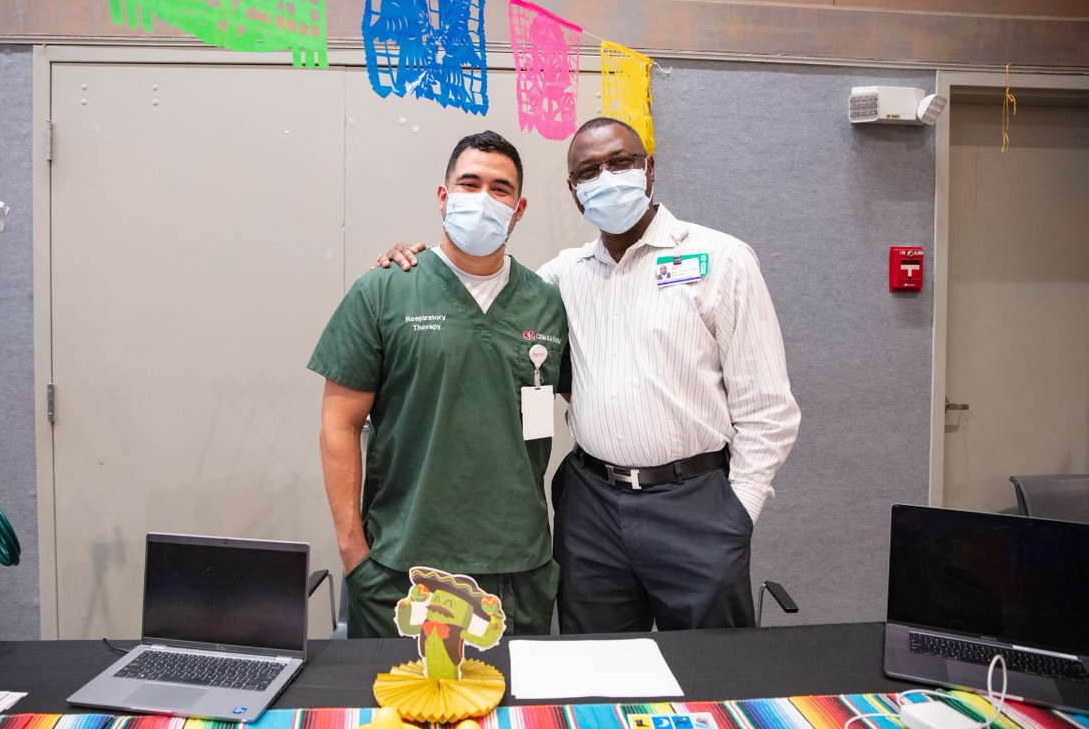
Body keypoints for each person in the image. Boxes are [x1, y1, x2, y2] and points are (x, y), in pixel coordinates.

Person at [378, 117, 800, 633]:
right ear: (577, 195)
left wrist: (736, 515)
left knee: (709, 677)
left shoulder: (721, 260)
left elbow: (768, 410)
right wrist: (415, 262)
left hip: (697, 508)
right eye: (589, 171)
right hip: (591, 509)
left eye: (620, 163)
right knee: (594, 674)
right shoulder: (561, 278)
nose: (607, 177)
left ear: (649, 169)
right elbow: (488, 295)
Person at [308, 130, 570, 639]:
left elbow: (590, 401)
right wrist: (354, 556)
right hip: (402, 567)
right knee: (399, 714)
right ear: (443, 197)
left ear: (518, 210)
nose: (483, 198)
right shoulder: (384, 289)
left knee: (510, 717)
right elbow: (338, 424)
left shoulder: (545, 302)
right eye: (469, 183)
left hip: (516, 567)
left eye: (500, 189)